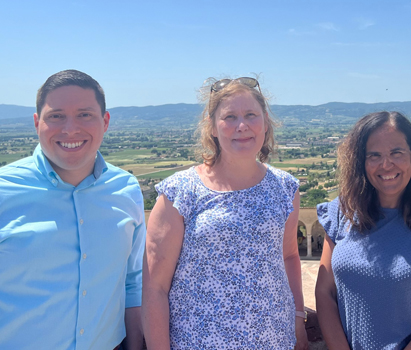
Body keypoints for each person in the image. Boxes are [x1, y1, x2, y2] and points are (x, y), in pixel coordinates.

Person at [142, 77, 309, 349]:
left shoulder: (285, 188)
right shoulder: (180, 192)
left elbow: (289, 256)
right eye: (229, 117)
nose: (241, 126)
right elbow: (154, 289)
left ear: (265, 123)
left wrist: (298, 317)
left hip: (274, 341)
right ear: (213, 127)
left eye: (251, 115)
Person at [0, 70, 145, 349]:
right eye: (56, 116)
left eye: (84, 114)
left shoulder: (126, 188)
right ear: (36, 122)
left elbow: (132, 283)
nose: (70, 129)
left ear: (105, 122)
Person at [315, 111, 411, 349]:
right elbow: (325, 293)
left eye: (396, 153)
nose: (386, 164)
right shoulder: (341, 212)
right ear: (361, 162)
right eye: (374, 155)